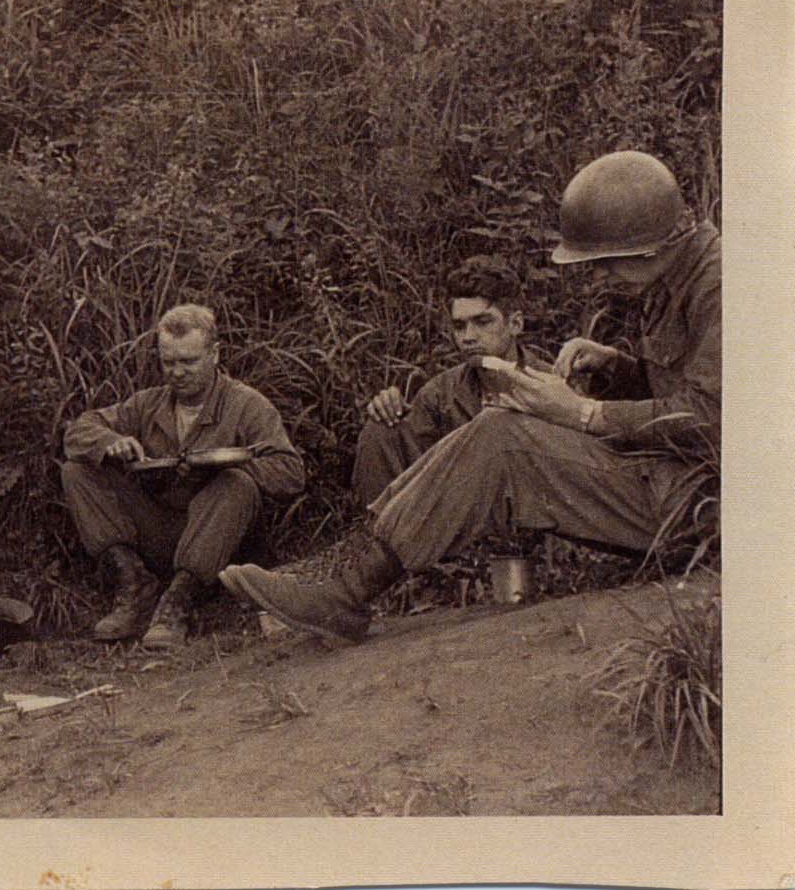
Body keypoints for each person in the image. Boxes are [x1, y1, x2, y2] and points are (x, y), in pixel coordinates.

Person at [222, 150, 720, 644]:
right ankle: (342, 572)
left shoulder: (720, 287)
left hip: (703, 508)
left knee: (502, 438)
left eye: (603, 263)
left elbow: (717, 424)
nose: (597, 277)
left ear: (647, 246)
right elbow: (683, 396)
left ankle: (345, 588)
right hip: (676, 484)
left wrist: (583, 411)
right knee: (496, 428)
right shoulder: (674, 278)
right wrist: (617, 367)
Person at [62, 304, 306, 649]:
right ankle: (135, 585)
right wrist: (111, 442)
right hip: (163, 530)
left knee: (235, 484)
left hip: (222, 540)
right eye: (168, 362)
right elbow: (77, 431)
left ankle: (179, 603)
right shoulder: (148, 404)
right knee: (78, 470)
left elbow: (292, 473)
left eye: (188, 362)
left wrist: (226, 465)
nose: (177, 373)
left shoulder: (247, 406)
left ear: (214, 354)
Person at [351, 255, 552, 508]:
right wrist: (388, 409)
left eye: (482, 322)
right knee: (380, 430)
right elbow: (412, 455)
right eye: (459, 326)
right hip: (458, 511)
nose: (468, 337)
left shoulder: (550, 383)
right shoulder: (441, 393)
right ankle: (381, 535)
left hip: (531, 511)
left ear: (515, 323)